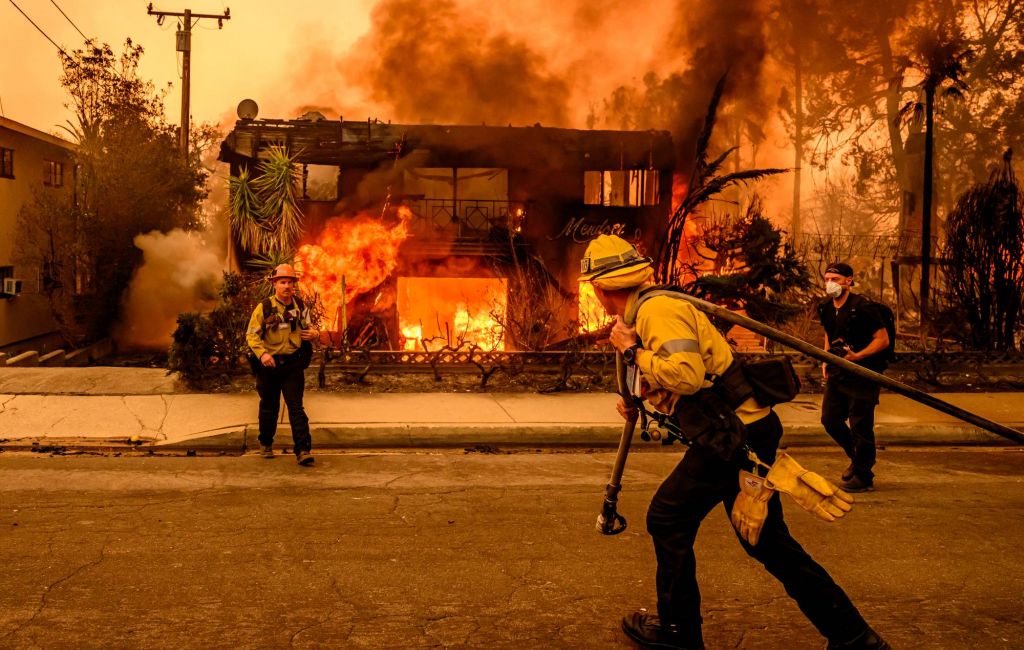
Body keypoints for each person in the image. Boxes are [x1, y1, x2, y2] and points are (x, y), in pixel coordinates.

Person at [578, 235, 888, 650]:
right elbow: (684, 376)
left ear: (598, 289)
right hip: (741, 430)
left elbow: (685, 374)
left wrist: (633, 351)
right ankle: (854, 637)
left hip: (733, 436)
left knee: (668, 518)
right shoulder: (647, 310)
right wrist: (640, 395)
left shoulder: (657, 312)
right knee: (767, 543)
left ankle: (678, 632)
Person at [817, 262, 890, 492]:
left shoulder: (864, 307)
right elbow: (829, 335)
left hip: (863, 373)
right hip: (838, 372)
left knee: (860, 425)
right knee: (830, 420)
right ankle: (858, 461)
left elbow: (882, 340)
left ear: (849, 280)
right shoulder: (826, 307)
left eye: (835, 279)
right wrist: (825, 359)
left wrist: (857, 357)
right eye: (827, 279)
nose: (830, 284)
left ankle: (863, 475)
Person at [246, 264, 320, 466]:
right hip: (269, 366)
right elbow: (251, 335)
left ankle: (303, 450)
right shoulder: (264, 307)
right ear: (275, 284)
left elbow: (310, 328)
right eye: (283, 282)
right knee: (269, 406)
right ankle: (266, 443)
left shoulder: (300, 307)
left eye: (290, 282)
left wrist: (314, 334)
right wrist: (262, 355)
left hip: (292, 365)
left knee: (296, 408)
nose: (287, 286)